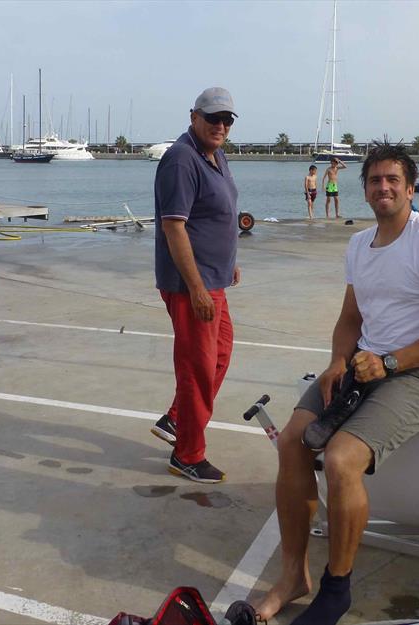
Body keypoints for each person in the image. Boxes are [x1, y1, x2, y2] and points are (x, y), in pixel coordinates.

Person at [254, 141, 419, 625]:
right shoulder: (359, 244)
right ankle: (293, 576)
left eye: (394, 179)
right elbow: (351, 316)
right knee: (292, 441)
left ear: (412, 188)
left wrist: (390, 363)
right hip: (365, 364)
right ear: (366, 190)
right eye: (375, 180)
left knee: (339, 458)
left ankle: (336, 588)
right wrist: (337, 361)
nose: (384, 187)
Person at [150, 87, 240, 484]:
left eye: (227, 120)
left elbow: (218, 213)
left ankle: (177, 418)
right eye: (213, 118)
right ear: (194, 117)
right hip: (192, 286)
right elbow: (174, 227)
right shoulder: (181, 160)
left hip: (214, 278)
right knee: (197, 367)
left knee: (219, 354)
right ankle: (188, 453)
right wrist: (198, 288)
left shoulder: (215, 154)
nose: (220, 126)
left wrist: (228, 261)